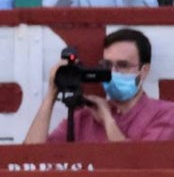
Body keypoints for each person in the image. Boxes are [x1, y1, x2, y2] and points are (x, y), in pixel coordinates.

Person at [24, 28, 174, 144]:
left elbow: (139, 167)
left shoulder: (166, 114)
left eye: (123, 65)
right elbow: (28, 160)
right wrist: (52, 93)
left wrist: (108, 120)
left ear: (144, 71)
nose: (113, 72)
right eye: (107, 65)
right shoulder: (83, 118)